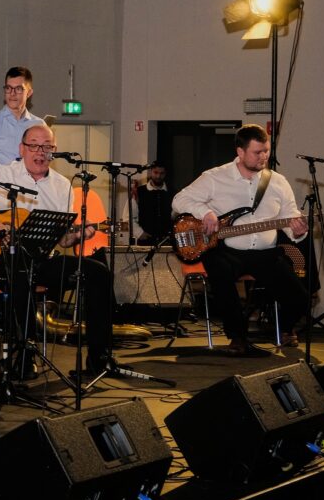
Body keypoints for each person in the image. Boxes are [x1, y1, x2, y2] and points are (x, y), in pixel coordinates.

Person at [0, 124, 115, 373]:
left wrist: (78, 234)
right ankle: (24, 354)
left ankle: (98, 359)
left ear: (54, 151)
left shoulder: (62, 185)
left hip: (40, 261)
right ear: (22, 149)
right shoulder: (2, 174)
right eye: (34, 145)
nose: (40, 151)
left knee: (99, 272)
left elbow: (62, 241)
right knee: (20, 268)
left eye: (47, 146)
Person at [172, 124, 308, 354]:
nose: (263, 156)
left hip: (265, 253)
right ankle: (237, 337)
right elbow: (179, 200)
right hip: (227, 250)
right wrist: (205, 212)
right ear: (240, 151)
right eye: (257, 152)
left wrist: (298, 229)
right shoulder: (215, 177)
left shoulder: (278, 182)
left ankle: (285, 329)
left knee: (300, 296)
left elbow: (289, 218)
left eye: (266, 151)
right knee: (220, 274)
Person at [122, 160, 174, 245]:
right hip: (145, 241)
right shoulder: (138, 192)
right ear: (150, 172)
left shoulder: (172, 193)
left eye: (162, 173)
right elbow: (128, 217)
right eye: (156, 172)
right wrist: (139, 233)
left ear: (165, 174)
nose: (158, 176)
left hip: (168, 242)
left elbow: (175, 216)